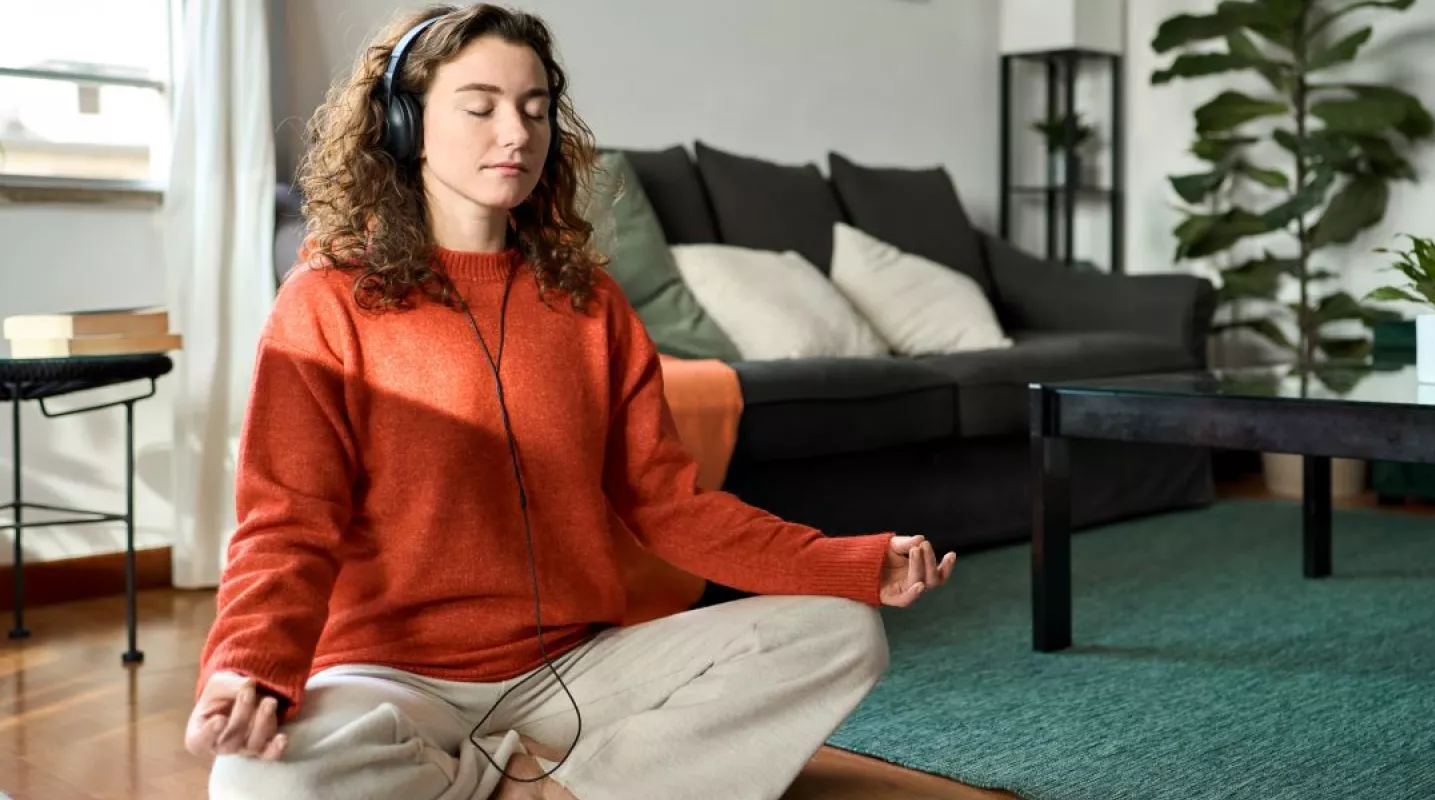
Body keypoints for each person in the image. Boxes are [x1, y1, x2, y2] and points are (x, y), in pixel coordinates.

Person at [183, 4, 956, 799]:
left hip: (574, 671)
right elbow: (285, 521)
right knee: (254, 783)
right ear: (405, 123)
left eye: (535, 108)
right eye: (480, 107)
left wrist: (849, 564)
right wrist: (247, 665)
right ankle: (540, 784)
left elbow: (672, 508)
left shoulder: (592, 305)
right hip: (390, 678)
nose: (515, 133)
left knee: (841, 632)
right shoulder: (325, 303)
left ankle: (551, 787)